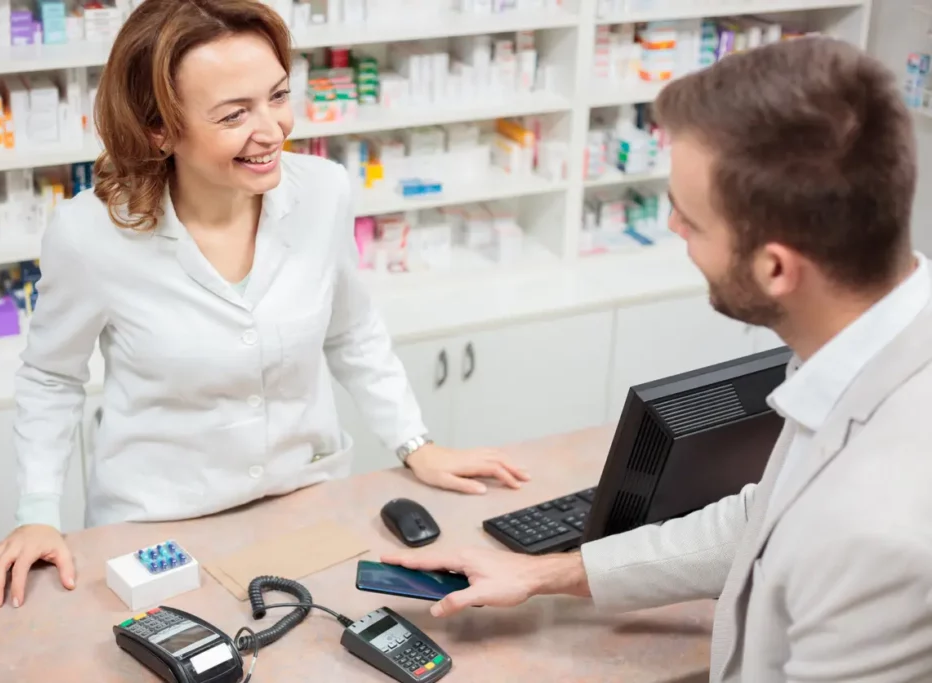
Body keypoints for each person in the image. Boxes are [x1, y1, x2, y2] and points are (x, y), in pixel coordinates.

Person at [383, 36, 932, 681]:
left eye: (691, 219)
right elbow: (765, 522)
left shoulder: (884, 526)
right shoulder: (868, 351)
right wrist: (546, 572)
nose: (672, 228)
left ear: (775, 267)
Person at [0, 0, 530, 610]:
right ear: (160, 128)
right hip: (158, 528)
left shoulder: (323, 191)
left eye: (277, 96)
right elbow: (51, 376)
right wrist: (38, 513)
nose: (273, 130)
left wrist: (416, 443)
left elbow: (352, 331)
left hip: (306, 504)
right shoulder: (92, 234)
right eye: (233, 114)